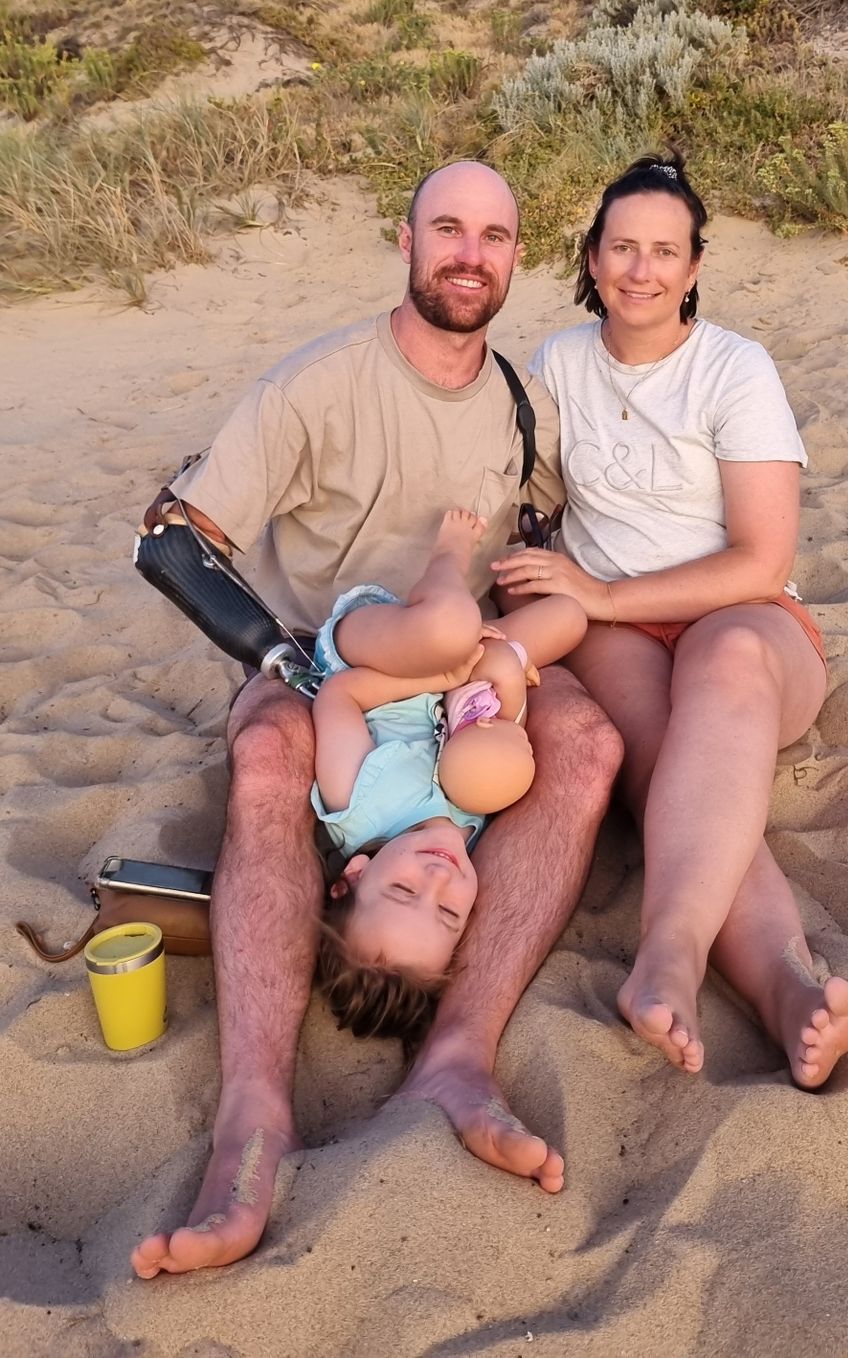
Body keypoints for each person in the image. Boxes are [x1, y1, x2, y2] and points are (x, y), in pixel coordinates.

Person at [131, 160, 624, 1278]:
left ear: (513, 258)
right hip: (331, 651)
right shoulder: (317, 386)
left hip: (472, 660)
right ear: (404, 242)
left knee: (590, 744)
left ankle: (459, 1048)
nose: (470, 252)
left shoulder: (519, 400)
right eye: (447, 228)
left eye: (494, 235)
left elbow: (542, 541)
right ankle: (254, 1111)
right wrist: (282, 664)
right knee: (264, 748)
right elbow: (173, 535)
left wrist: (512, 656)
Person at [494, 152, 848, 1089]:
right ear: (592, 255)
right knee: (676, 771)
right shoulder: (558, 364)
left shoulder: (735, 369)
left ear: (694, 266)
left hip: (744, 623)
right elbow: (516, 494)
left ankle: (670, 943)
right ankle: (787, 989)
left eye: (665, 251)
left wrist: (605, 595)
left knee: (729, 661)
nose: (641, 270)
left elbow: (762, 561)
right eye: (623, 247)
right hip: (613, 631)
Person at [311, 507, 587, 1039]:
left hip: (374, 653)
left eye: (403, 891)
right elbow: (488, 722)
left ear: (355, 876)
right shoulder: (473, 829)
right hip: (461, 668)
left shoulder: (359, 806)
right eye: (447, 914)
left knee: (449, 628)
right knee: (569, 618)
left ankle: (448, 553)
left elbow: (339, 696)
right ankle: (476, 628)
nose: (438, 880)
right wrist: (501, 683)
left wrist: (442, 672)